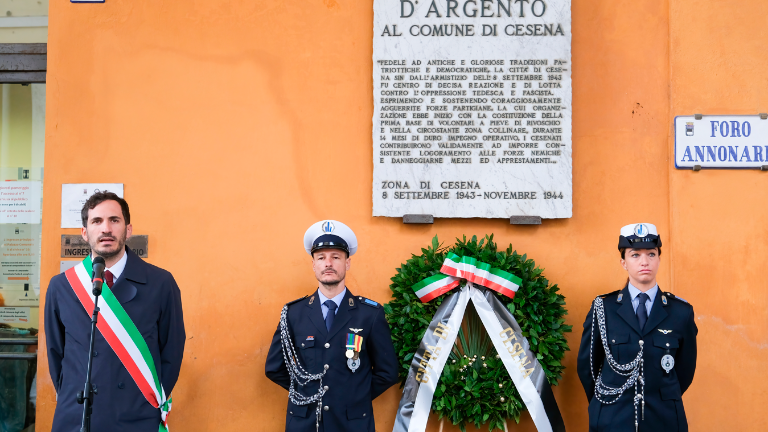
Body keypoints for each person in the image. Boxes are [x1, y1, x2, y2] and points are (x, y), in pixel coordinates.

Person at [45, 191, 185, 432]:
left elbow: (171, 351)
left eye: (114, 220)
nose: (106, 229)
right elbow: (55, 354)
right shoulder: (62, 286)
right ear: (84, 232)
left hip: (136, 416)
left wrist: (147, 401)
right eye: (96, 221)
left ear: (128, 229)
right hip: (77, 417)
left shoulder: (161, 283)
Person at [265, 220, 399, 432]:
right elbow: (274, 368)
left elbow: (388, 372)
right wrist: (305, 391)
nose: (328, 263)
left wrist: (352, 397)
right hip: (305, 423)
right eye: (321, 258)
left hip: (352, 423)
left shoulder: (369, 314)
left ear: (347, 263)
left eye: (336, 257)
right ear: (314, 265)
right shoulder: (294, 313)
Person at [577, 223, 697, 432]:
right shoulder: (603, 308)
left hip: (664, 420)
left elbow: (685, 371)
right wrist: (604, 402)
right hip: (612, 419)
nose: (644, 262)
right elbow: (587, 367)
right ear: (623, 262)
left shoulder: (681, 312)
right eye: (635, 255)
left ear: (659, 259)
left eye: (651, 254)